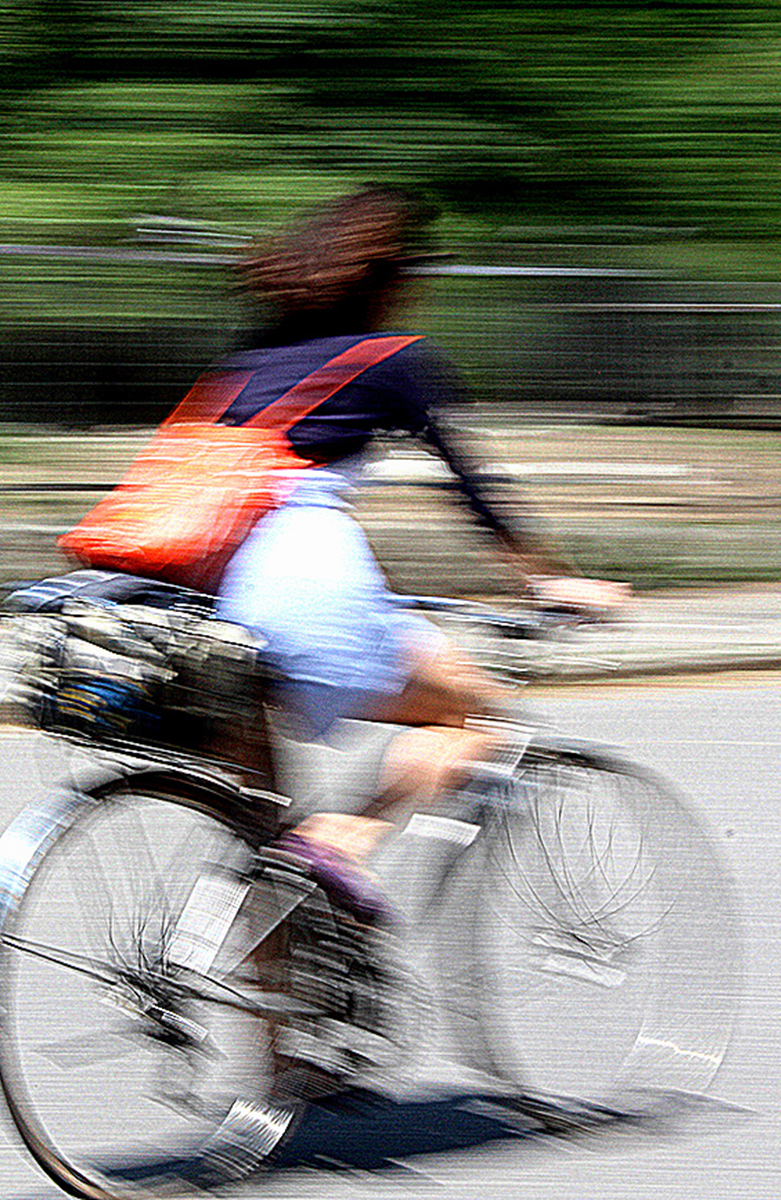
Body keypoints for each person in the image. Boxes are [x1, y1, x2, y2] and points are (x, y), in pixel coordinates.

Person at [208, 186, 627, 922]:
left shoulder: (246, 362)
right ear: (391, 279)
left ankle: (272, 1019)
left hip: (208, 614)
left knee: (264, 850)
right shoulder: (393, 358)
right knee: (477, 714)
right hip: (299, 594)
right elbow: (472, 487)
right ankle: (349, 835)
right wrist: (554, 582)